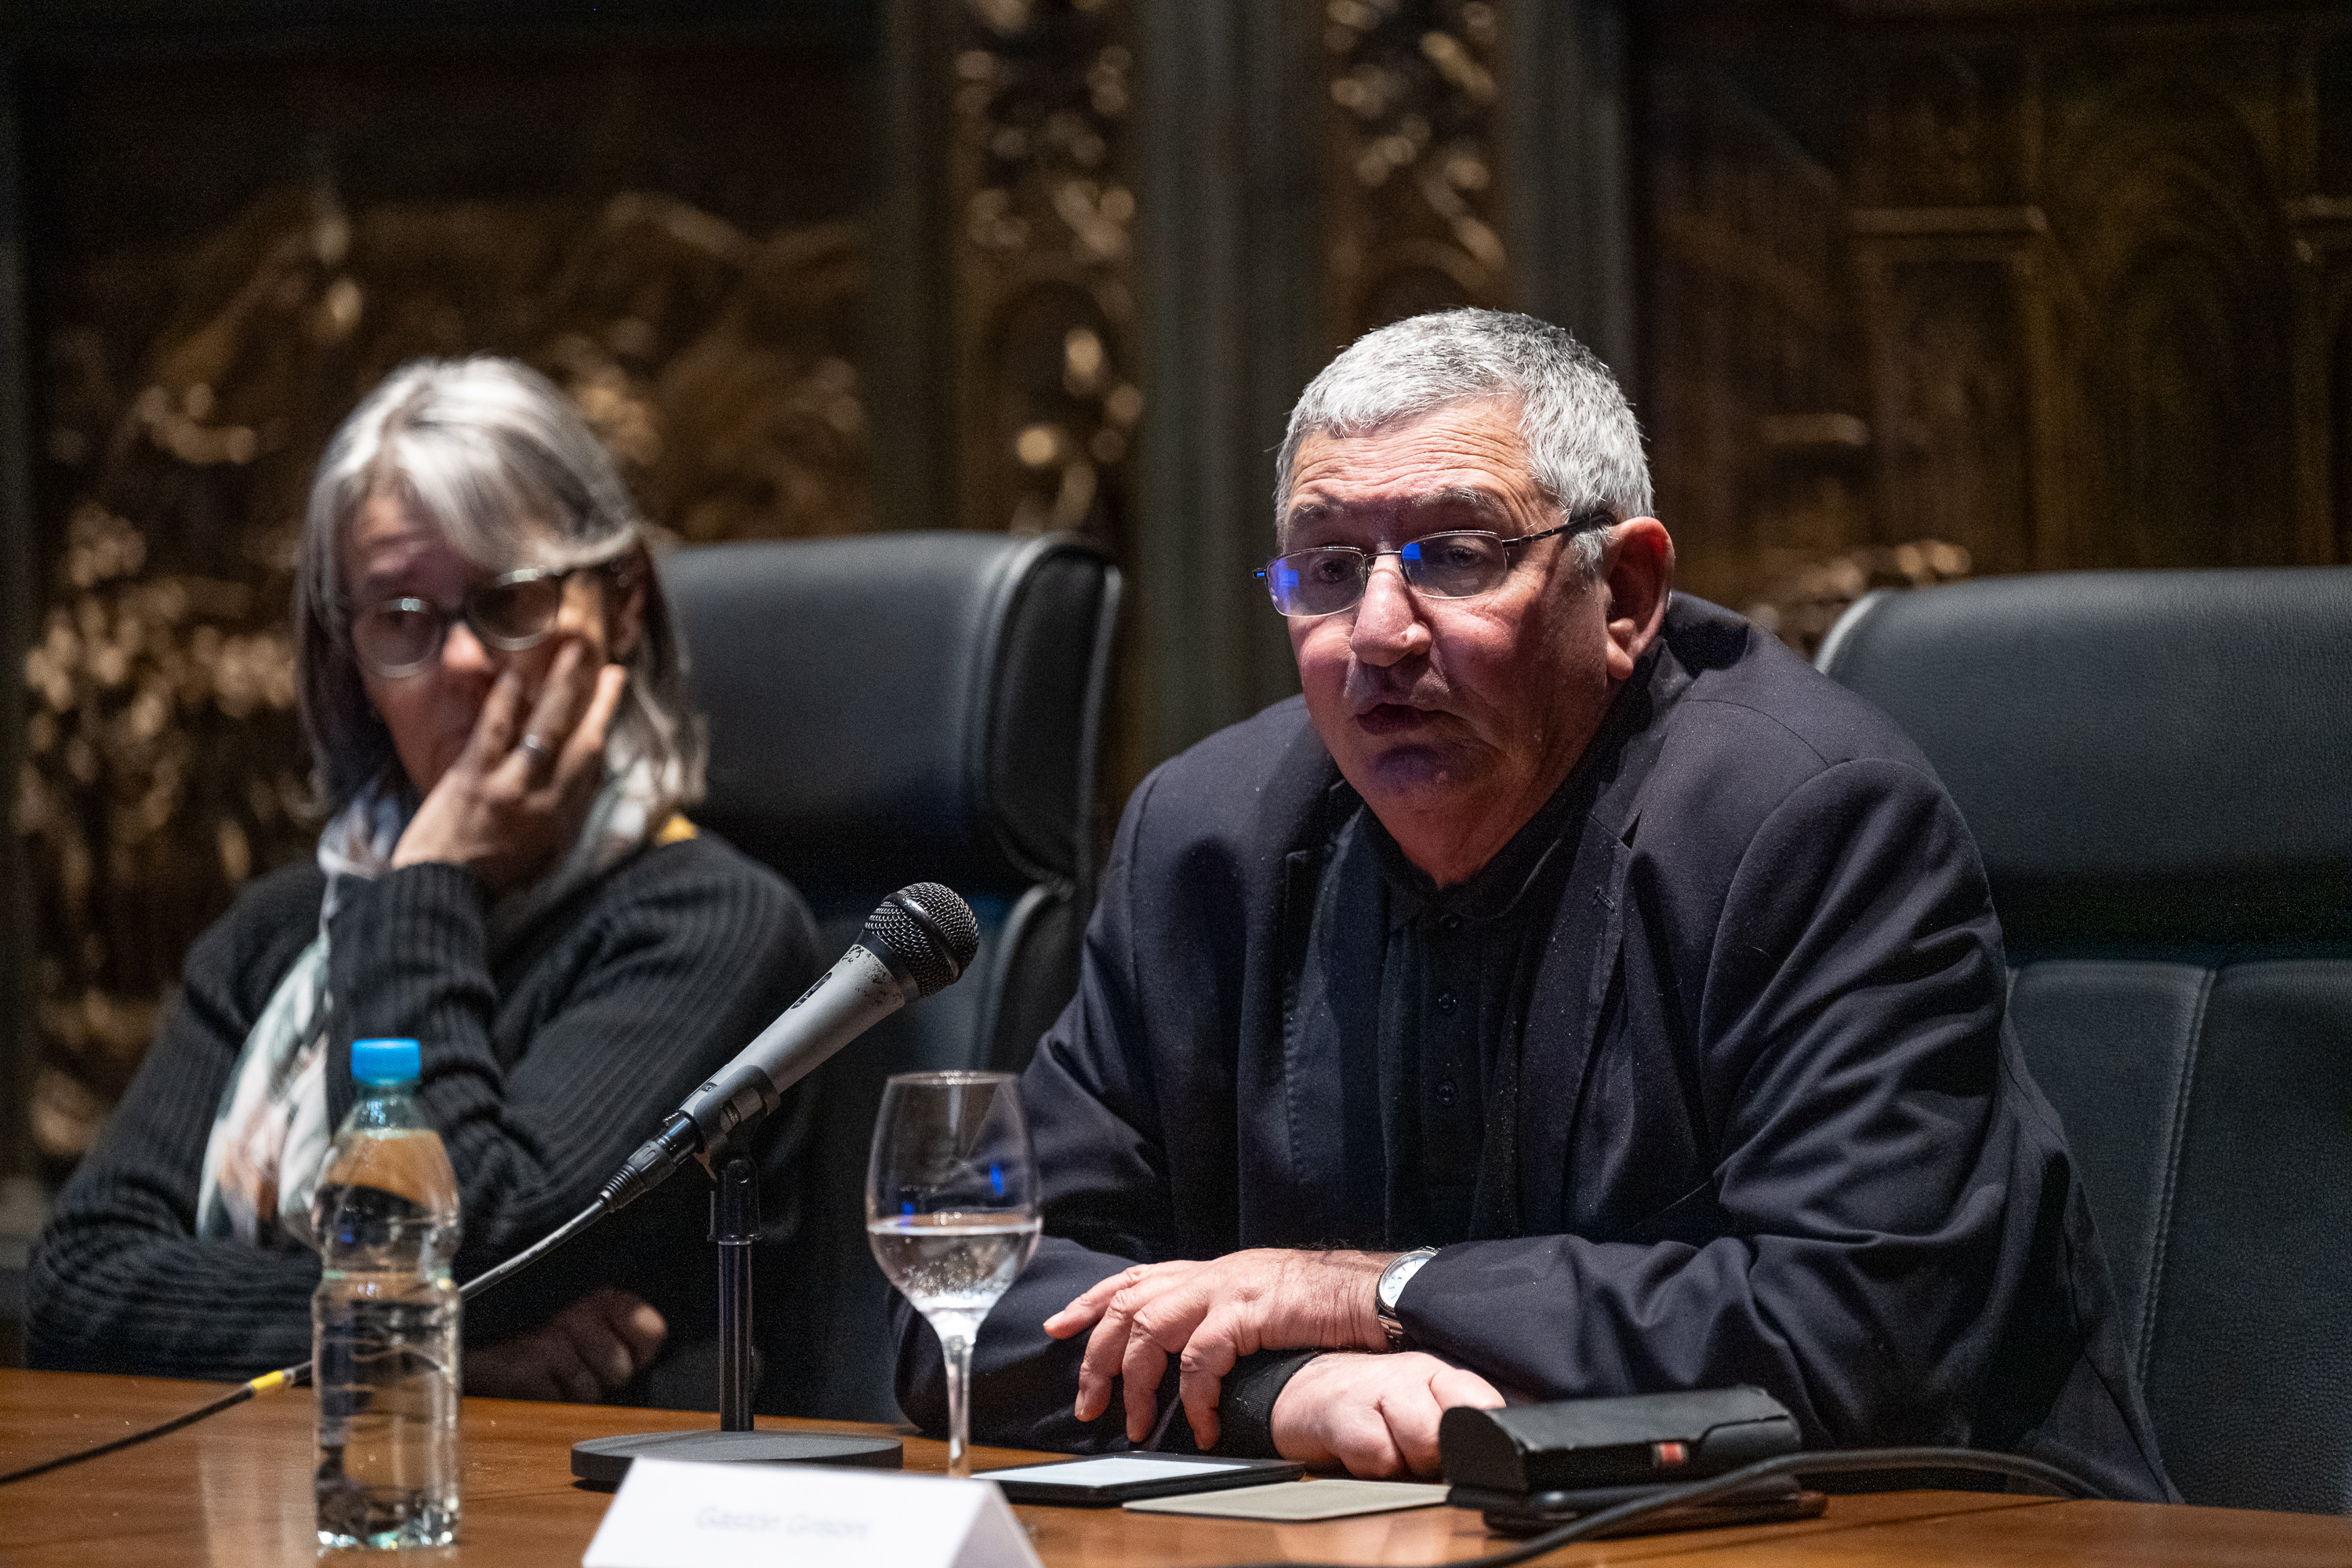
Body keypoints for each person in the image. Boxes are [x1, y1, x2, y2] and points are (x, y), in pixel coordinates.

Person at [891, 309, 2175, 1501]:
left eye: (1455, 556)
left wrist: (1372, 1295)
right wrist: (1294, 1390)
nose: (1379, 632)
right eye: (1328, 570)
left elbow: (1848, 1342)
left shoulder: (1811, 826)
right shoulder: (1209, 838)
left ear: (1624, 595)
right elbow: (971, 1317)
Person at [29, 358, 819, 1404]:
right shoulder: (279, 933)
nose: (458, 664)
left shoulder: (714, 926)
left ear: (620, 603)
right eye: (402, 616)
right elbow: (76, 1290)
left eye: (509, 601)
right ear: (348, 657)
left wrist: (430, 878)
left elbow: (471, 1243)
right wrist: (409, 1344)